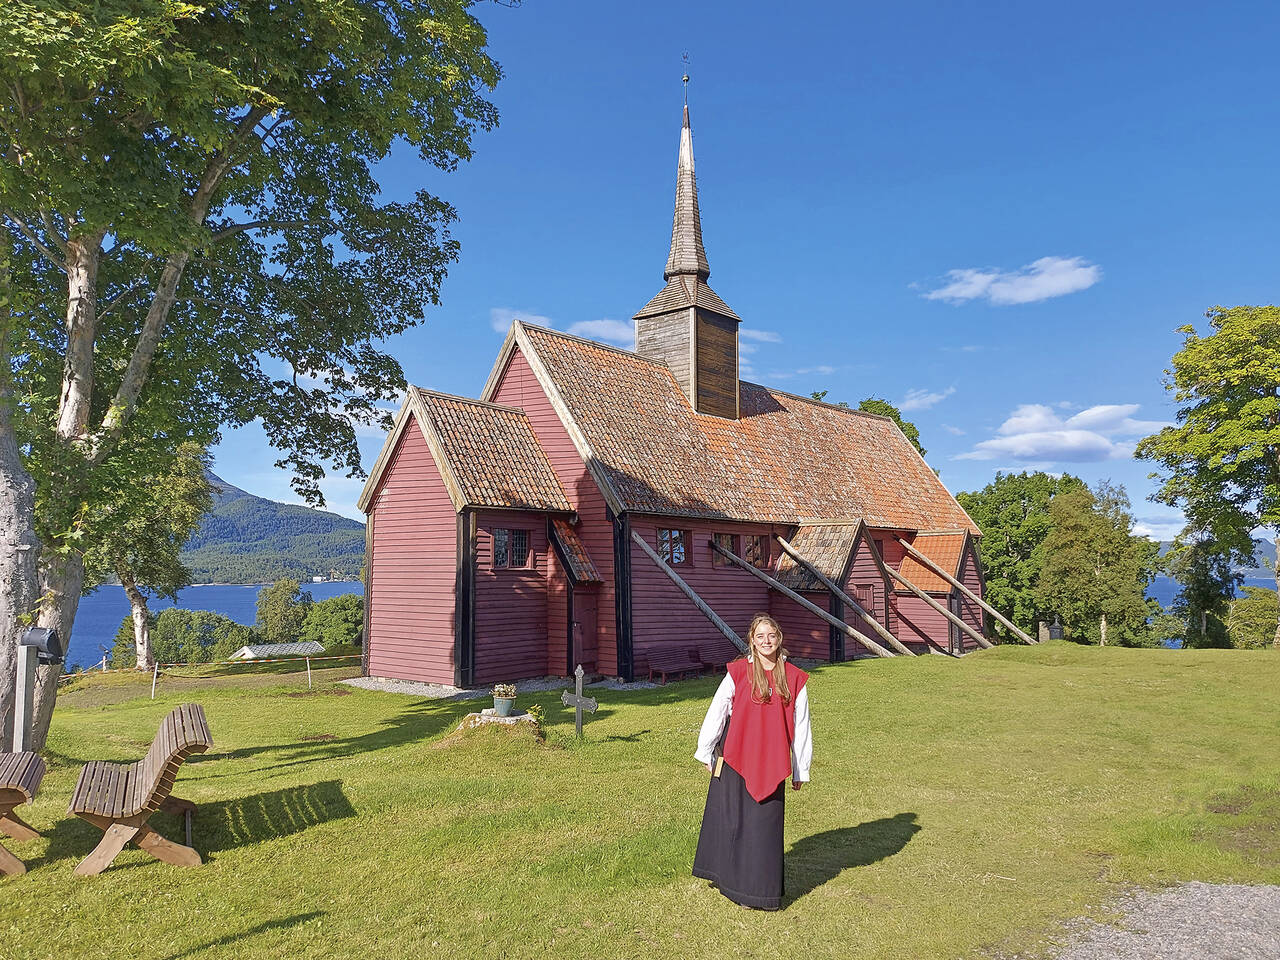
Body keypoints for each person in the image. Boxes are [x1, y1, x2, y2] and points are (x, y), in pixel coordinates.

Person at [692, 613, 812, 910]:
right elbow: (718, 710)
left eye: (771, 635)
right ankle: (730, 883)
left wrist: (800, 768)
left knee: (763, 829)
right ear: (752, 641)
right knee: (735, 823)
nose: (766, 641)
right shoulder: (738, 673)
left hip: (771, 762)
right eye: (760, 636)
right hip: (737, 757)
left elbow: (801, 725)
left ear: (778, 638)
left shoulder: (794, 678)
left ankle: (760, 892)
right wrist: (707, 749)